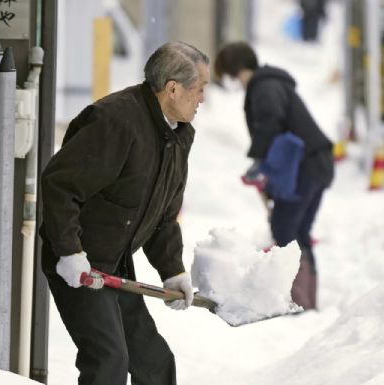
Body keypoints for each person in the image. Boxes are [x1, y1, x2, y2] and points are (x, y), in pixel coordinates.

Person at [39, 41, 210, 385]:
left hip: (114, 261)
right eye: (200, 88)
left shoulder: (177, 136)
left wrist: (172, 268)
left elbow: (164, 211)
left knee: (153, 363)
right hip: (80, 261)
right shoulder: (115, 120)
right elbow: (61, 184)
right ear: (172, 88)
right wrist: (70, 252)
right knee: (108, 361)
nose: (202, 98)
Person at [214, 42, 334, 310]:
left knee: (285, 228)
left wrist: (258, 161)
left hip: (306, 165)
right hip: (314, 163)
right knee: (296, 230)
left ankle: (299, 301)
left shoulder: (264, 86)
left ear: (235, 70)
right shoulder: (269, 83)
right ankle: (305, 302)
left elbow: (270, 121)